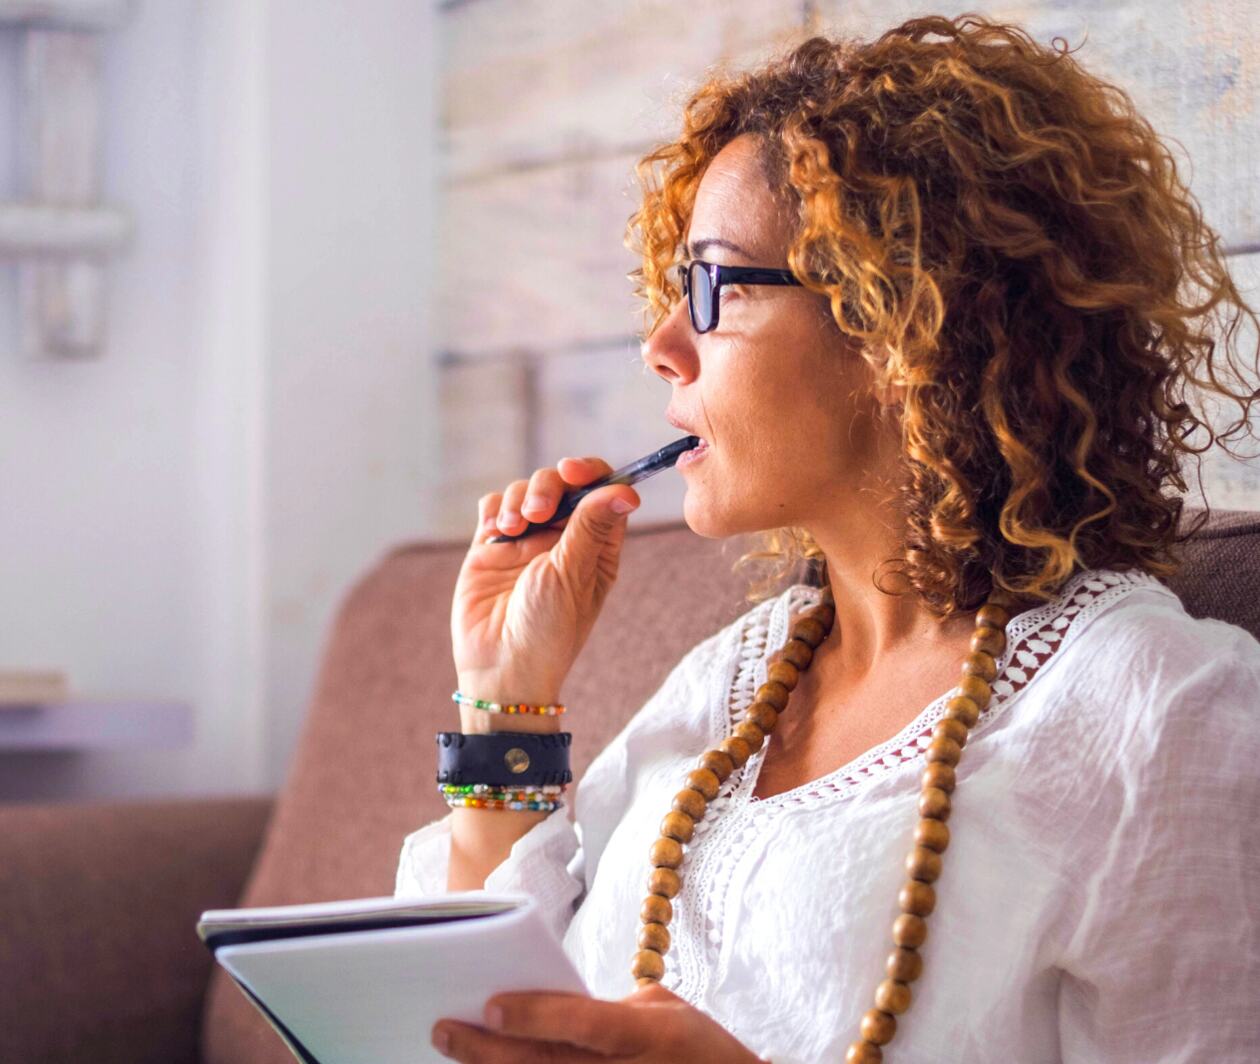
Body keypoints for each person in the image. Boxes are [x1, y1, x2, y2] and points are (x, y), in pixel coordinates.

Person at [399, 14, 1260, 1063]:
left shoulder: (1160, 711)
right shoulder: (726, 683)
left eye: (712, 286)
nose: (662, 346)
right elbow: (492, 1014)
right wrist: (503, 697)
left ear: (903, 321)